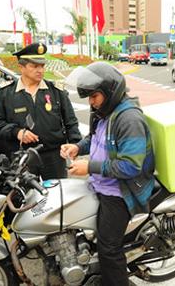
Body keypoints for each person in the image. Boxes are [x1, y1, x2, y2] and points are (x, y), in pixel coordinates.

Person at [60, 62, 155, 286]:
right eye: (89, 98)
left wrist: (89, 166)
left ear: (110, 92)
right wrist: (77, 147)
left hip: (122, 191)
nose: (91, 102)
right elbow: (94, 138)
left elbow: (131, 166)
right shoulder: (103, 112)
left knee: (108, 248)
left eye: (94, 96)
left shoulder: (129, 119)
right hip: (100, 184)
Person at [0, 43, 81, 179]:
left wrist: (75, 145)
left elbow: (71, 122)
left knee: (55, 196)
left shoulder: (56, 91)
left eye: (42, 66)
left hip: (54, 157)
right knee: (25, 197)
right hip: (22, 157)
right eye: (34, 66)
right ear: (21, 67)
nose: (40, 71)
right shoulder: (4, 93)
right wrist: (17, 132)